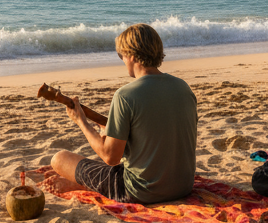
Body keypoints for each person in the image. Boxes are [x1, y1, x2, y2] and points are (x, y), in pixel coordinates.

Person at [49, 24, 198, 203]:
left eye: (121, 55)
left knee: (60, 159)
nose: (122, 60)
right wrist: (110, 131)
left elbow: (110, 158)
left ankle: (84, 185)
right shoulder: (183, 87)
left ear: (132, 55)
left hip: (142, 191)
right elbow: (158, 136)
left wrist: (81, 121)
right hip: (183, 186)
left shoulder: (126, 95)